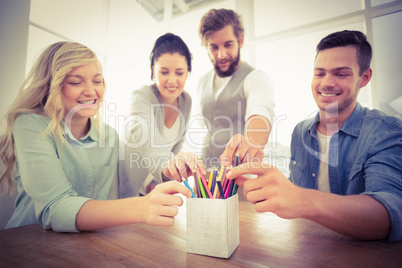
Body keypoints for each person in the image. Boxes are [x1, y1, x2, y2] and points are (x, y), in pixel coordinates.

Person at [225, 30, 402, 241]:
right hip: (307, 250)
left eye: (341, 73)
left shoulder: (385, 131)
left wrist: (302, 200)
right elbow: (292, 197)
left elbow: (389, 215)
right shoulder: (300, 131)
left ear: (364, 78)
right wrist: (259, 183)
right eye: (319, 73)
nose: (326, 83)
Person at [0, 41, 193, 232]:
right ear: (52, 85)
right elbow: (55, 208)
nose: (91, 91)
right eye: (76, 82)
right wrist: (142, 205)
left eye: (97, 80)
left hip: (87, 245)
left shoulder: (109, 136)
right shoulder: (30, 124)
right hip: (27, 241)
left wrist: (163, 175)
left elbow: (108, 203)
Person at [119, 33, 205, 198]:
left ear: (188, 72)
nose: (172, 80)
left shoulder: (186, 100)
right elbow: (144, 134)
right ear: (153, 70)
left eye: (179, 73)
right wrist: (169, 165)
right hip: (127, 186)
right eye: (164, 72)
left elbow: (175, 146)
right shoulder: (141, 96)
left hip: (152, 186)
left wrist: (159, 181)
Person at [195, 8, 275, 168]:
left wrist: (251, 143)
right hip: (205, 174)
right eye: (214, 47)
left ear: (241, 41)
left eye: (228, 45)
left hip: (240, 173)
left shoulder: (256, 78)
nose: (221, 54)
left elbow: (261, 111)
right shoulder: (202, 82)